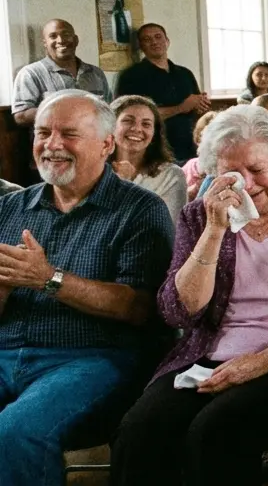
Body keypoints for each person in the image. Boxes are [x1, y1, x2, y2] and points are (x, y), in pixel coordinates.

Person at [111, 105, 268, 486]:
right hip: (204, 357)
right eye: (231, 173)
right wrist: (214, 231)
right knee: (139, 429)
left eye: (257, 170)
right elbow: (178, 311)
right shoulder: (198, 217)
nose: (245, 184)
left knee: (214, 432)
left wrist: (263, 361)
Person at [0, 90, 174, 486]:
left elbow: (140, 308)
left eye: (69, 134)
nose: (52, 144)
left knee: (14, 433)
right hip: (6, 351)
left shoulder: (141, 210)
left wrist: (48, 279)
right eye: (43, 132)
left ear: (106, 144)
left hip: (92, 359)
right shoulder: (9, 208)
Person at [116, 23, 208, 161]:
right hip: (156, 152)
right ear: (141, 46)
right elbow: (133, 118)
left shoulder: (185, 73)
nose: (154, 42)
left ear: (167, 41)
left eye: (158, 37)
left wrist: (201, 105)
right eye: (147, 39)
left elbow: (197, 109)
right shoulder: (131, 76)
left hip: (190, 149)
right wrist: (181, 108)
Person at [11, 19, 112, 125]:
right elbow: (20, 116)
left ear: (76, 40)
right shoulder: (30, 73)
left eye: (66, 34)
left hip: (94, 139)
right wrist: (63, 111)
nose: (60, 40)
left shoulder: (96, 73)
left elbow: (108, 110)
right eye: (53, 36)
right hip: (55, 140)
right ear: (45, 43)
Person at [110, 95, 188, 223]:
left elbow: (167, 230)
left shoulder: (172, 175)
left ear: (154, 134)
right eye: (128, 121)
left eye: (146, 124)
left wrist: (124, 185)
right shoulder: (92, 170)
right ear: (110, 127)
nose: (137, 129)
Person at [183, 111, 219, 200]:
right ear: (198, 139)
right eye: (205, 138)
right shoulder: (190, 166)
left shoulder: (227, 166)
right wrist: (193, 189)